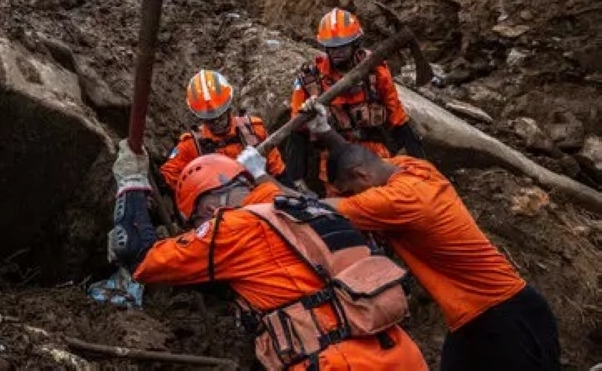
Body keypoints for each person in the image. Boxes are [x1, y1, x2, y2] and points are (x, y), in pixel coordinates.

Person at [108, 129, 429, 371]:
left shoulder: (232, 229)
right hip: (402, 352)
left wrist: (132, 182)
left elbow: (138, 254)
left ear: (207, 210)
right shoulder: (304, 207)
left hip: (337, 362)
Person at [319, 122, 561, 371]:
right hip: (479, 315)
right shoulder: (412, 167)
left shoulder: (399, 200)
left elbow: (317, 207)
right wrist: (325, 131)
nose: (353, 198)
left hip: (503, 316)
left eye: (350, 192)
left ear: (362, 176)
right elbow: (359, 159)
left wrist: (274, 183)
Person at [288, 8, 421, 190]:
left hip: (375, 155)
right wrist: (296, 181)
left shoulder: (376, 70)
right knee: (342, 209)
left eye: (343, 46)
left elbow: (397, 117)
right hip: (335, 159)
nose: (337, 52)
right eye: (332, 47)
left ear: (356, 43)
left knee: (385, 203)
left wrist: (422, 165)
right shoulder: (309, 79)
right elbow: (296, 129)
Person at [160, 69, 289, 192]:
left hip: (261, 199)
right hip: (221, 209)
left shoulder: (254, 130)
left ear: (228, 108)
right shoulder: (190, 145)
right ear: (200, 116)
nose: (216, 122)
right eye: (210, 119)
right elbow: (168, 177)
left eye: (220, 116)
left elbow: (278, 171)